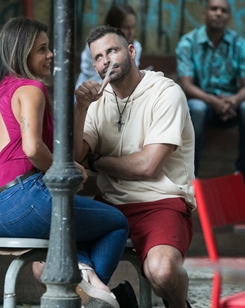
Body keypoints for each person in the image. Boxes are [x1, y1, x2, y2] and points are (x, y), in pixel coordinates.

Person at [0, 17, 129, 308]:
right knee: (116, 222)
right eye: (42, 50)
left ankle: (86, 277)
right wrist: (68, 170)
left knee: (79, 223)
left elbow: (50, 152)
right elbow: (33, 148)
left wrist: (81, 107)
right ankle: (92, 290)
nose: (51, 55)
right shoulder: (32, 89)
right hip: (24, 203)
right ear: (21, 54)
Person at [74, 26, 196, 308]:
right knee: (48, 260)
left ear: (131, 51)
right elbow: (75, 156)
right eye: (99, 57)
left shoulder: (166, 93)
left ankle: (179, 306)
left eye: (112, 51)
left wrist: (96, 162)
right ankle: (118, 299)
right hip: (110, 204)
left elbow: (147, 166)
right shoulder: (96, 101)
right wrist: (80, 107)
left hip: (161, 201)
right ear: (94, 65)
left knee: (162, 272)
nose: (106, 60)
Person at [175, 0, 245, 194]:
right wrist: (212, 101)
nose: (218, 13)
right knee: (198, 108)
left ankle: (244, 178)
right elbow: (186, 85)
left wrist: (234, 101)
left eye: (223, 10)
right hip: (202, 107)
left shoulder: (239, 44)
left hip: (230, 107)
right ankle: (190, 181)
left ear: (229, 16)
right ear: (205, 14)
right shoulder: (188, 43)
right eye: (213, 9)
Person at [75, 4, 142, 89]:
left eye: (133, 27)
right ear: (115, 27)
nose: (130, 32)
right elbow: (91, 75)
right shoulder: (94, 46)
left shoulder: (135, 46)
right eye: (126, 27)